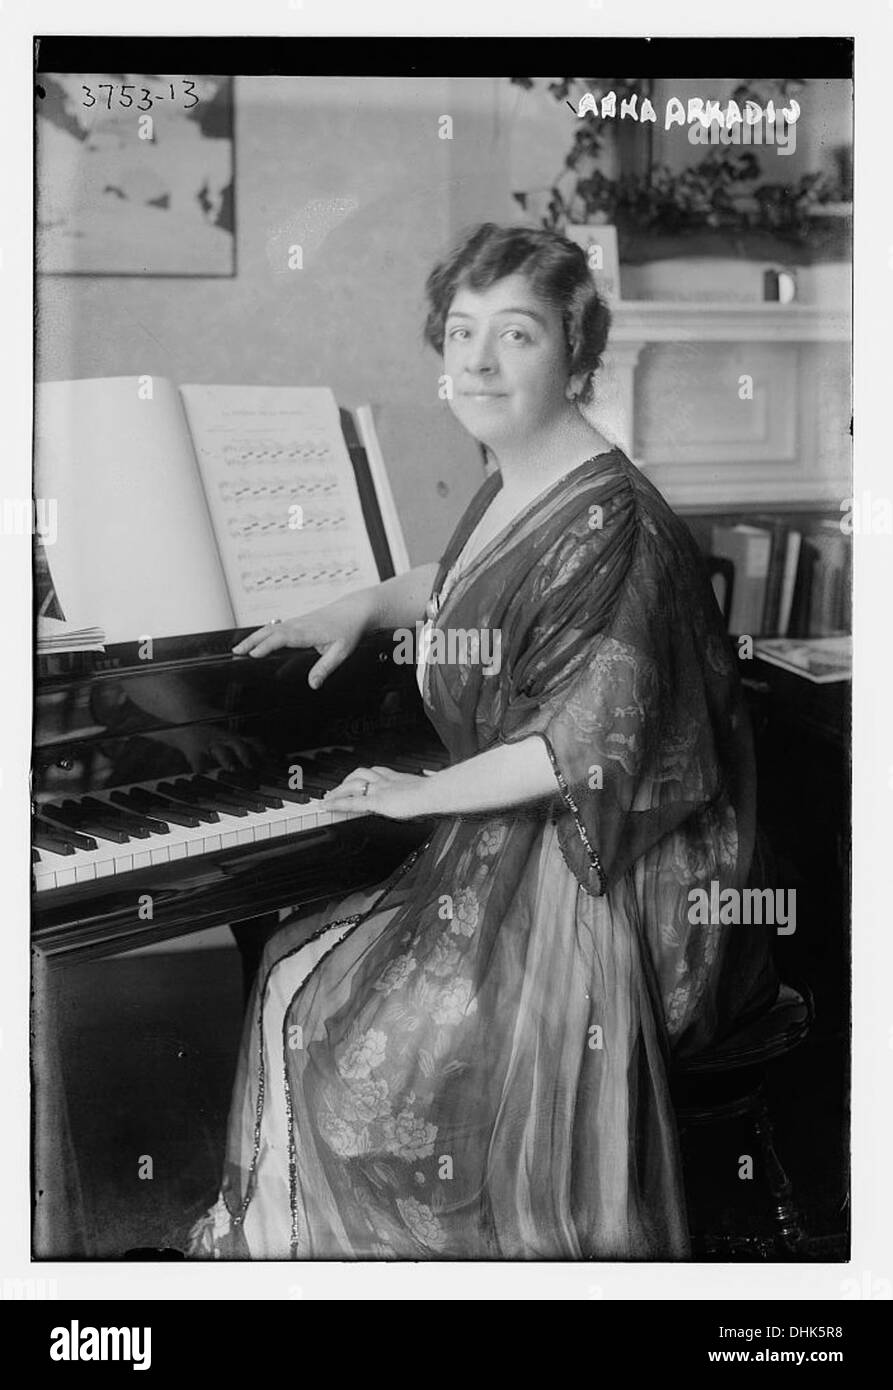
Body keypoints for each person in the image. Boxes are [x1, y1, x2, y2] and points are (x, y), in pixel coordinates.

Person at [187, 222, 778, 1261]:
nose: (477, 361)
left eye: (515, 334)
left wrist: (416, 794)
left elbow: (581, 748)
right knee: (290, 972)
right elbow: (468, 580)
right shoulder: (524, 476)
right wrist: (365, 601)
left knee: (343, 1040)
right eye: (461, 332)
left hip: (611, 879)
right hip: (522, 840)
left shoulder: (620, 524)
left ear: (576, 355)